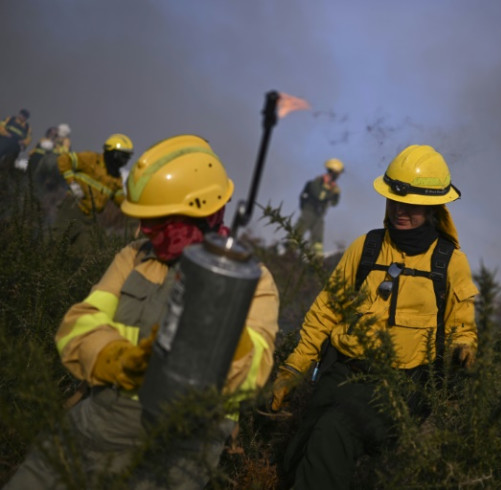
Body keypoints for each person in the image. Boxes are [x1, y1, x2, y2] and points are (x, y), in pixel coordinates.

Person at [4, 134, 280, 489]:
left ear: (202, 213)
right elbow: (78, 326)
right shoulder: (135, 257)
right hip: (99, 422)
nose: (144, 230)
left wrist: (221, 316)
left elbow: (255, 372)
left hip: (180, 447)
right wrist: (118, 359)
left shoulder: (253, 282)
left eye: (158, 221)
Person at [270, 144, 479, 489]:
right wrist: (292, 369)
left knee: (332, 434)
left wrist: (463, 348)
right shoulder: (365, 248)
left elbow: (462, 323)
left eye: (410, 205)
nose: (399, 210)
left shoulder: (450, 262)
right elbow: (324, 312)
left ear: (431, 207)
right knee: (296, 454)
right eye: (394, 200)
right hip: (341, 375)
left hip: (398, 389)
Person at [52, 133, 134, 245]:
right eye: (122, 156)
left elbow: (120, 200)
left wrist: (136, 207)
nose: (124, 161)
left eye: (127, 157)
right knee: (58, 242)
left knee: (87, 252)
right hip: (72, 208)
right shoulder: (91, 159)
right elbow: (64, 159)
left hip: (89, 218)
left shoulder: (116, 178)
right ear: (111, 152)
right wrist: (72, 183)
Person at [293, 158, 344, 255]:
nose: (338, 176)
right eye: (337, 173)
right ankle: (289, 253)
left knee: (318, 240)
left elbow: (334, 203)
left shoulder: (334, 188)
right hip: (309, 212)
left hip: (319, 215)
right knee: (298, 233)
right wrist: (328, 189)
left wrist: (336, 194)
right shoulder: (317, 182)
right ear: (332, 172)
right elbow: (318, 196)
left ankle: (316, 261)